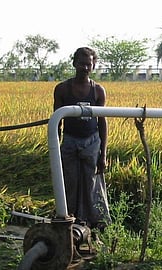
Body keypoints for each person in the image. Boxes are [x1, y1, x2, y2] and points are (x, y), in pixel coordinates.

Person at [53, 47, 111, 230]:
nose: (85, 68)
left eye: (89, 64)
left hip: (91, 142)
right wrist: (55, 148)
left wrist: (103, 154)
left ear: (93, 66)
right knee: (69, 181)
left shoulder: (98, 91)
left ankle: (94, 224)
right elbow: (57, 121)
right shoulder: (62, 89)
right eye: (82, 64)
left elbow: (102, 122)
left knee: (91, 183)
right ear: (74, 64)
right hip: (70, 141)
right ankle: (69, 221)